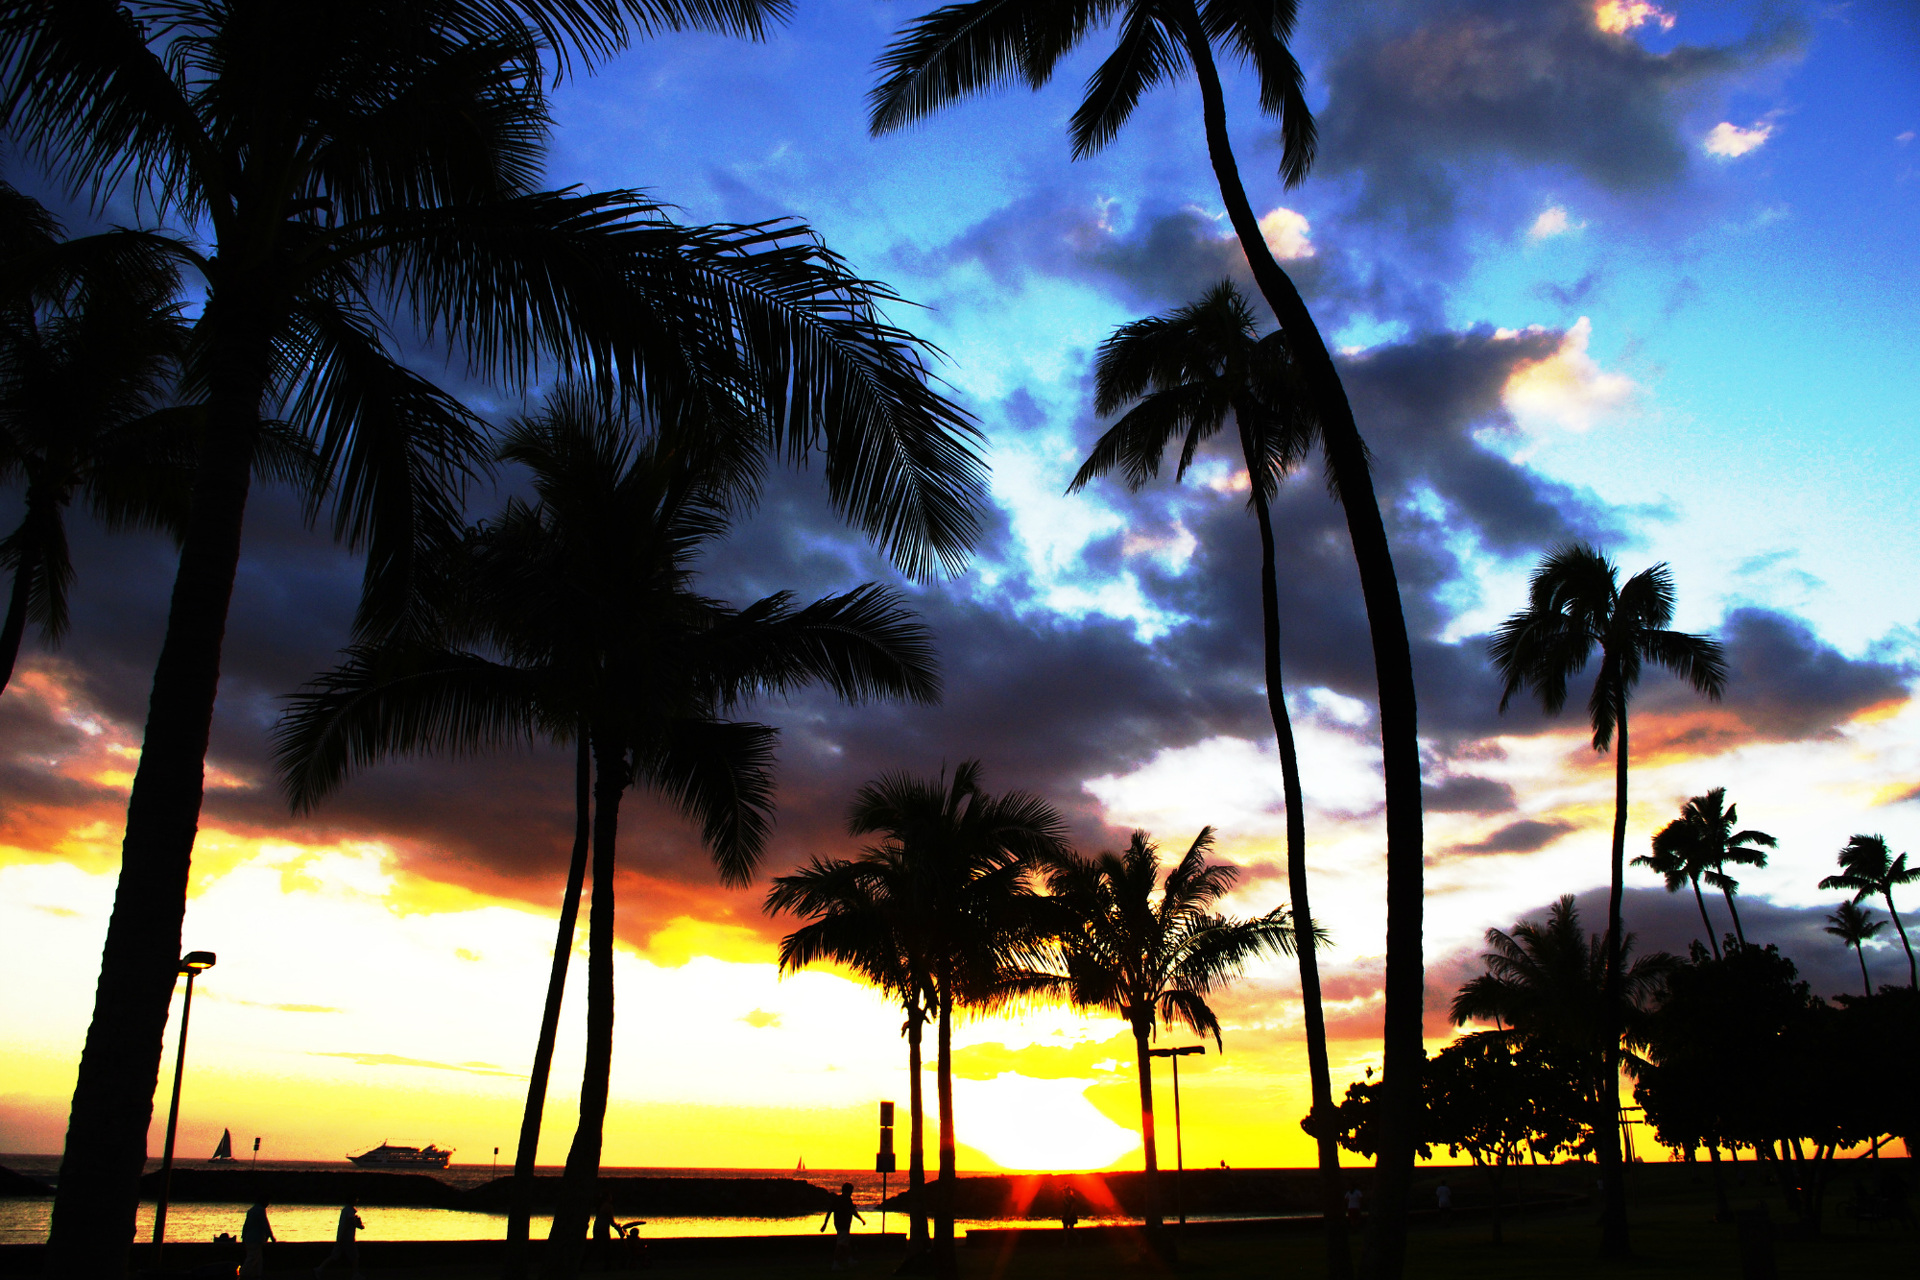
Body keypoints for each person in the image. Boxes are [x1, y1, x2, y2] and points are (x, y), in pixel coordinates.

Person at [819, 1182, 866, 1270]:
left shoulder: (837, 1199)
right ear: (848, 1191)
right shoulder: (847, 1200)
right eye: (851, 1191)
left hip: (838, 1224)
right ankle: (836, 1264)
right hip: (844, 1224)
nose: (852, 1192)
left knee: (845, 1243)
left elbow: (830, 1211)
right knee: (841, 1244)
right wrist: (861, 1220)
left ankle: (849, 1260)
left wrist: (825, 1224)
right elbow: (853, 1211)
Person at [314, 1201, 364, 1279]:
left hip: (342, 1237)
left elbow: (349, 1223)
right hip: (348, 1239)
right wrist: (358, 1224)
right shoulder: (350, 1211)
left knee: (334, 1256)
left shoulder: (345, 1210)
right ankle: (355, 1274)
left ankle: (320, 1269)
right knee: (355, 1256)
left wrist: (340, 1236)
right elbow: (349, 1223)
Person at [240, 1198, 276, 1278]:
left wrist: (243, 1237)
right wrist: (271, 1237)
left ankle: (256, 1275)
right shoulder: (260, 1210)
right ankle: (242, 1275)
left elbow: (246, 1225)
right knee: (252, 1258)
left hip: (249, 1238)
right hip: (255, 1239)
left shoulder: (251, 1210)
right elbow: (265, 1224)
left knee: (258, 1259)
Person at [592, 1192, 619, 1272]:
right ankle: (607, 1266)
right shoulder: (608, 1206)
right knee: (607, 1247)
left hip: (597, 1228)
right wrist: (617, 1227)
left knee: (597, 1246)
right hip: (603, 1229)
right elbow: (611, 1220)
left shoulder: (600, 1206)